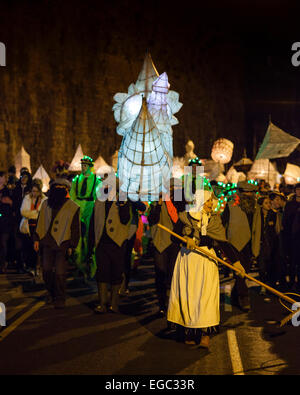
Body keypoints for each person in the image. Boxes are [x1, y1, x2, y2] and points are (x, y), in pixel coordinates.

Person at [167, 187, 244, 348]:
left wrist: (236, 263)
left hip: (207, 261)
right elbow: (173, 237)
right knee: (190, 296)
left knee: (206, 297)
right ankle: (189, 330)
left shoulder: (215, 220)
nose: (211, 203)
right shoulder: (185, 217)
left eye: (211, 201)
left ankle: (205, 334)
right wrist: (185, 239)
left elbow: (223, 243)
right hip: (188, 261)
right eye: (208, 200)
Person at [33, 178, 80, 308]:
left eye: (61, 187)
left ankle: (60, 297)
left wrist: (72, 244)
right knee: (47, 270)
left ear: (66, 190)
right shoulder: (46, 204)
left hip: (62, 242)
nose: (58, 188)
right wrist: (36, 239)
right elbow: (40, 222)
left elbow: (75, 228)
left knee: (60, 272)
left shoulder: (73, 207)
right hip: (47, 242)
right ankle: (51, 292)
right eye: (56, 186)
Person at [88, 179, 131, 314]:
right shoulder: (99, 200)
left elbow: (125, 219)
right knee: (102, 272)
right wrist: (91, 243)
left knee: (116, 272)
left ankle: (114, 303)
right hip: (102, 242)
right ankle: (102, 303)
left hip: (117, 242)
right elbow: (93, 221)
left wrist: (123, 205)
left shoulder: (122, 199)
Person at [221, 180, 258, 311]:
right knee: (239, 273)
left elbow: (257, 227)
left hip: (248, 244)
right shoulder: (230, 206)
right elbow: (222, 223)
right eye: (245, 192)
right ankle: (244, 297)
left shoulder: (256, 207)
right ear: (240, 193)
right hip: (234, 244)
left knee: (245, 272)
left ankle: (235, 293)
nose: (248, 195)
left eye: (251, 192)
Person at [148, 181, 182, 316]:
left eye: (174, 188)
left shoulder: (180, 202)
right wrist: (159, 204)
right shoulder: (157, 202)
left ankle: (171, 303)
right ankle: (162, 303)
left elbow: (181, 220)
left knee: (173, 274)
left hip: (175, 243)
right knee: (160, 273)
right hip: (161, 242)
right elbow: (151, 219)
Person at [70, 156, 101, 278]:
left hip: (90, 208)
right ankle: (79, 264)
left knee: (89, 236)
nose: (83, 168)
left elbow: (97, 196)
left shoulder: (96, 180)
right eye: (82, 165)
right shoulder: (77, 180)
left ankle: (90, 265)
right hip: (78, 208)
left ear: (90, 167)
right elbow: (72, 195)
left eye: (85, 166)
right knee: (77, 236)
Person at [119, 199, 146, 296]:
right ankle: (116, 284)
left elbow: (143, 207)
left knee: (126, 258)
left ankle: (124, 285)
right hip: (118, 229)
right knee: (118, 258)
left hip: (131, 231)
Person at [19, 179, 47, 275]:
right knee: (28, 248)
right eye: (33, 191)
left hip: (39, 227)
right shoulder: (27, 198)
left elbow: (43, 214)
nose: (34, 193)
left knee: (38, 249)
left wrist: (30, 213)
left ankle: (37, 267)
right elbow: (23, 211)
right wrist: (36, 213)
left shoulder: (44, 200)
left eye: (36, 191)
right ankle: (30, 266)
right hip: (27, 227)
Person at [252, 196, 278, 292]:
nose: (268, 205)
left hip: (271, 244)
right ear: (261, 205)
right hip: (261, 243)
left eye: (269, 203)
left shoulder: (273, 215)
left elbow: (276, 230)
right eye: (266, 203)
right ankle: (263, 284)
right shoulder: (257, 215)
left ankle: (269, 285)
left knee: (270, 265)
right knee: (262, 266)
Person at [282, 183, 300, 290]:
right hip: (292, 237)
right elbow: (285, 220)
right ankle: (292, 282)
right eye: (297, 189)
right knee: (292, 261)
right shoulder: (290, 204)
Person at [0, 171, 14, 273]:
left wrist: (10, 202)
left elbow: (13, 204)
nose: (6, 179)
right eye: (4, 177)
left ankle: (3, 264)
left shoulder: (8, 191)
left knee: (3, 243)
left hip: (5, 221)